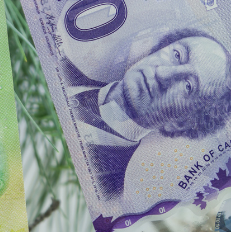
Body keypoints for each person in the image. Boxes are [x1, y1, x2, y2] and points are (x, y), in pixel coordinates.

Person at [61, 28, 231, 200]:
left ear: (182, 123)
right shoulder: (60, 67)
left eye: (188, 86)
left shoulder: (105, 188)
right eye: (177, 55)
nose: (162, 74)